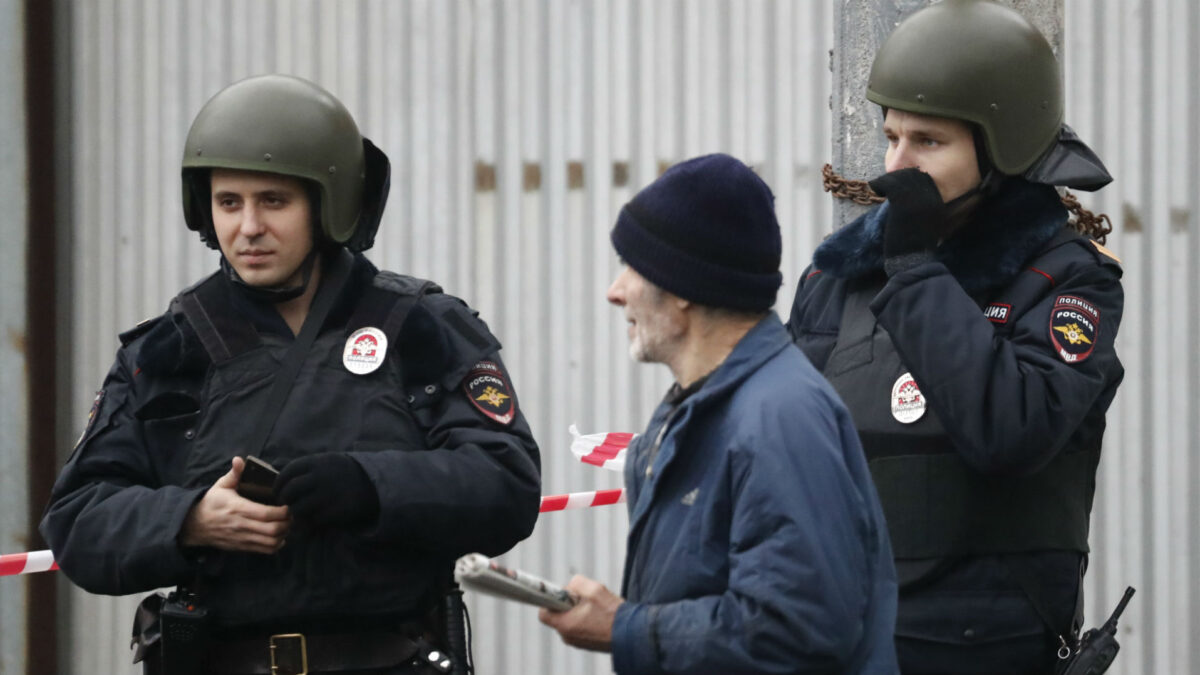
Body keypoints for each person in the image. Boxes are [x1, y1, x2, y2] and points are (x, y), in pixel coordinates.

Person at [40, 74, 541, 675]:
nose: (247, 227)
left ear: (328, 204)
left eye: (273, 201)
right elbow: (77, 522)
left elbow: (505, 482)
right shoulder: (170, 349)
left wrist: (370, 485)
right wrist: (191, 519)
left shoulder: (422, 327)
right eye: (229, 202)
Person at [787, 2, 1124, 673]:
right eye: (892, 138)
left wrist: (915, 272)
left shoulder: (1067, 282)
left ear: (1004, 147)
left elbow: (1010, 431)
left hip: (985, 649)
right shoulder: (838, 278)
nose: (898, 166)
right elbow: (785, 447)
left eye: (928, 142)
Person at [539, 154, 898, 674]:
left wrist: (624, 627)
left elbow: (799, 630)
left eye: (633, 268)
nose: (615, 293)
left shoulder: (780, 418)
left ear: (682, 288)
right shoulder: (695, 410)